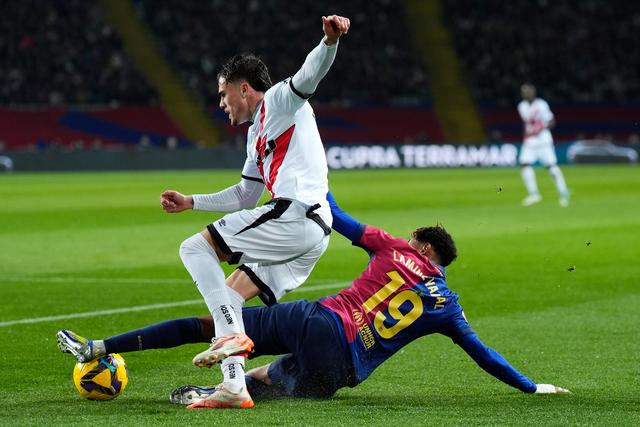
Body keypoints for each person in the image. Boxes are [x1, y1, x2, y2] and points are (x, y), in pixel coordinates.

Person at [57, 193, 569, 410]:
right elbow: (482, 354)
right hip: (342, 370)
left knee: (217, 321)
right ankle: (231, 384)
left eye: (418, 240)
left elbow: (337, 217)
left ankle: (101, 347)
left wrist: (311, 179)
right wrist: (533, 386)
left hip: (319, 321)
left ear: (425, 247)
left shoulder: (394, 247)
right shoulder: (448, 305)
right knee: (277, 383)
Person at [151, 15, 350, 408]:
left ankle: (230, 339)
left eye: (223, 94)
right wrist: (192, 201)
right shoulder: (255, 134)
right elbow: (245, 195)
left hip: (296, 214)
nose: (220, 103)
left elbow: (309, 76)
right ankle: (233, 385)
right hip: (310, 233)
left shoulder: (279, 100)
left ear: (244, 88)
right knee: (229, 294)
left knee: (195, 248)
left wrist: (329, 42)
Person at [517, 83, 570, 207]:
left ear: (533, 92)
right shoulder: (521, 106)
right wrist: (526, 135)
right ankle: (534, 194)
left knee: (551, 167)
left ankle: (563, 192)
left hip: (543, 141)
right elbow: (527, 124)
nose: (526, 93)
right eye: (524, 92)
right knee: (524, 165)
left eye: (528, 91)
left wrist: (541, 126)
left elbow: (552, 121)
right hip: (530, 142)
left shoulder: (542, 104)